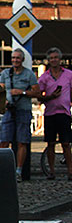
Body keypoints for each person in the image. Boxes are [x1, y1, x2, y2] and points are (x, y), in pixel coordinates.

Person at [0, 49, 39, 181]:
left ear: (22, 59)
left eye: (18, 58)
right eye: (13, 58)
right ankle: (4, 170)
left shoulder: (29, 74)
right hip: (9, 110)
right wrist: (5, 99)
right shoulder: (6, 73)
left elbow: (37, 92)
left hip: (23, 110)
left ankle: (19, 171)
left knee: (22, 141)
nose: (15, 60)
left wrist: (22, 92)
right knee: (4, 140)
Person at [37, 47, 72, 180]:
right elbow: (39, 96)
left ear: (60, 59)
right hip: (50, 113)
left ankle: (70, 170)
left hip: (64, 112)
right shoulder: (44, 77)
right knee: (50, 143)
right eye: (51, 58)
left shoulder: (68, 74)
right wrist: (50, 97)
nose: (54, 60)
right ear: (48, 60)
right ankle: (51, 171)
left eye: (56, 57)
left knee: (66, 143)